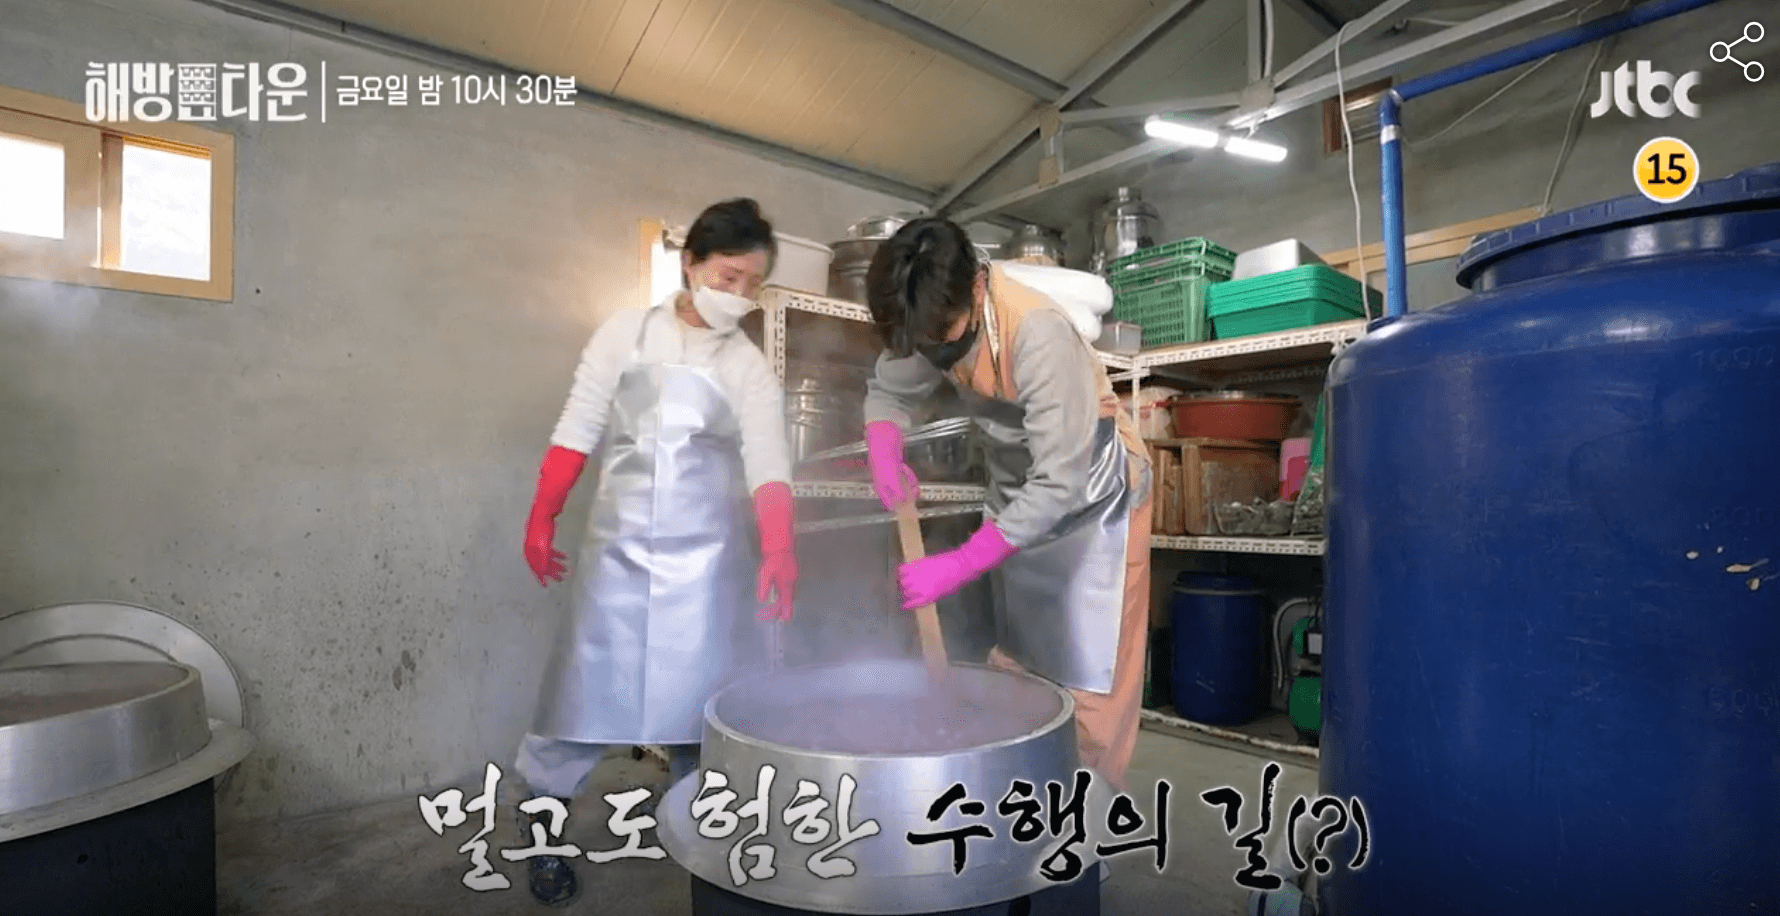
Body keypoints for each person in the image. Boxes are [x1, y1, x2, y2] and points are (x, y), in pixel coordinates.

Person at [512, 198, 798, 907]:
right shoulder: (626, 333)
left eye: (753, 285)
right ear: (691, 263)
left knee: (703, 716)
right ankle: (544, 833)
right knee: (578, 706)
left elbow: (768, 461)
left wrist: (779, 548)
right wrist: (543, 515)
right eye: (728, 277)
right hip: (617, 554)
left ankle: (702, 842)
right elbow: (579, 424)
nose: (739, 295)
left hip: (706, 565)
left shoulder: (747, 365)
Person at [860, 217, 1154, 793]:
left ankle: (1083, 818)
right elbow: (889, 389)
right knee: (1021, 658)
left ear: (976, 286)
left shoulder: (1038, 333)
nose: (935, 351)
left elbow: (1060, 481)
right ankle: (1022, 800)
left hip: (1092, 500)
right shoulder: (931, 318)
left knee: (1090, 681)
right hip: (1020, 497)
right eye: (924, 342)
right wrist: (883, 443)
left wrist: (963, 562)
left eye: (943, 335)